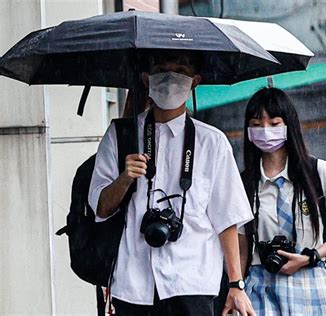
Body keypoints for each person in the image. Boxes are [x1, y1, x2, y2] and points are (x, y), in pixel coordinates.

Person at [89, 51, 255, 316]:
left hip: (193, 281)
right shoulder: (121, 136)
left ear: (195, 81)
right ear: (146, 79)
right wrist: (124, 178)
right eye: (161, 69)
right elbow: (101, 208)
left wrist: (236, 284)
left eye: (180, 69)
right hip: (134, 282)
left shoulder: (211, 142)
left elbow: (227, 219)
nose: (170, 77)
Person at [238, 87, 326, 315]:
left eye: (274, 124)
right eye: (256, 124)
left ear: (289, 125)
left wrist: (311, 255)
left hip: (312, 280)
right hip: (263, 284)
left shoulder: (316, 171)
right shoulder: (244, 182)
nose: (265, 130)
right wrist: (237, 288)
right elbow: (242, 247)